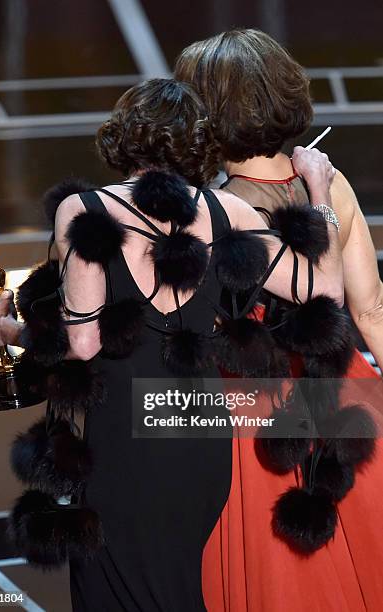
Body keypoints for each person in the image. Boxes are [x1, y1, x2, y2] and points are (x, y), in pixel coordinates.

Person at [0, 78, 342, 611]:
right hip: (200, 441)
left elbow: (80, 343)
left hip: (126, 444)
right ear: (196, 143)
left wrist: (10, 334)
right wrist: (321, 193)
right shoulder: (227, 212)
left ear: (123, 137)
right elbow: (325, 290)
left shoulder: (86, 211)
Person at [175, 30, 383, 612]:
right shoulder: (331, 184)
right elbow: (372, 311)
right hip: (345, 404)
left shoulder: (207, 209)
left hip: (253, 423)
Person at [175, 28, 383, 374]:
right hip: (341, 396)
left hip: (258, 404)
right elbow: (372, 310)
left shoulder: (216, 209)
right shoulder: (333, 181)